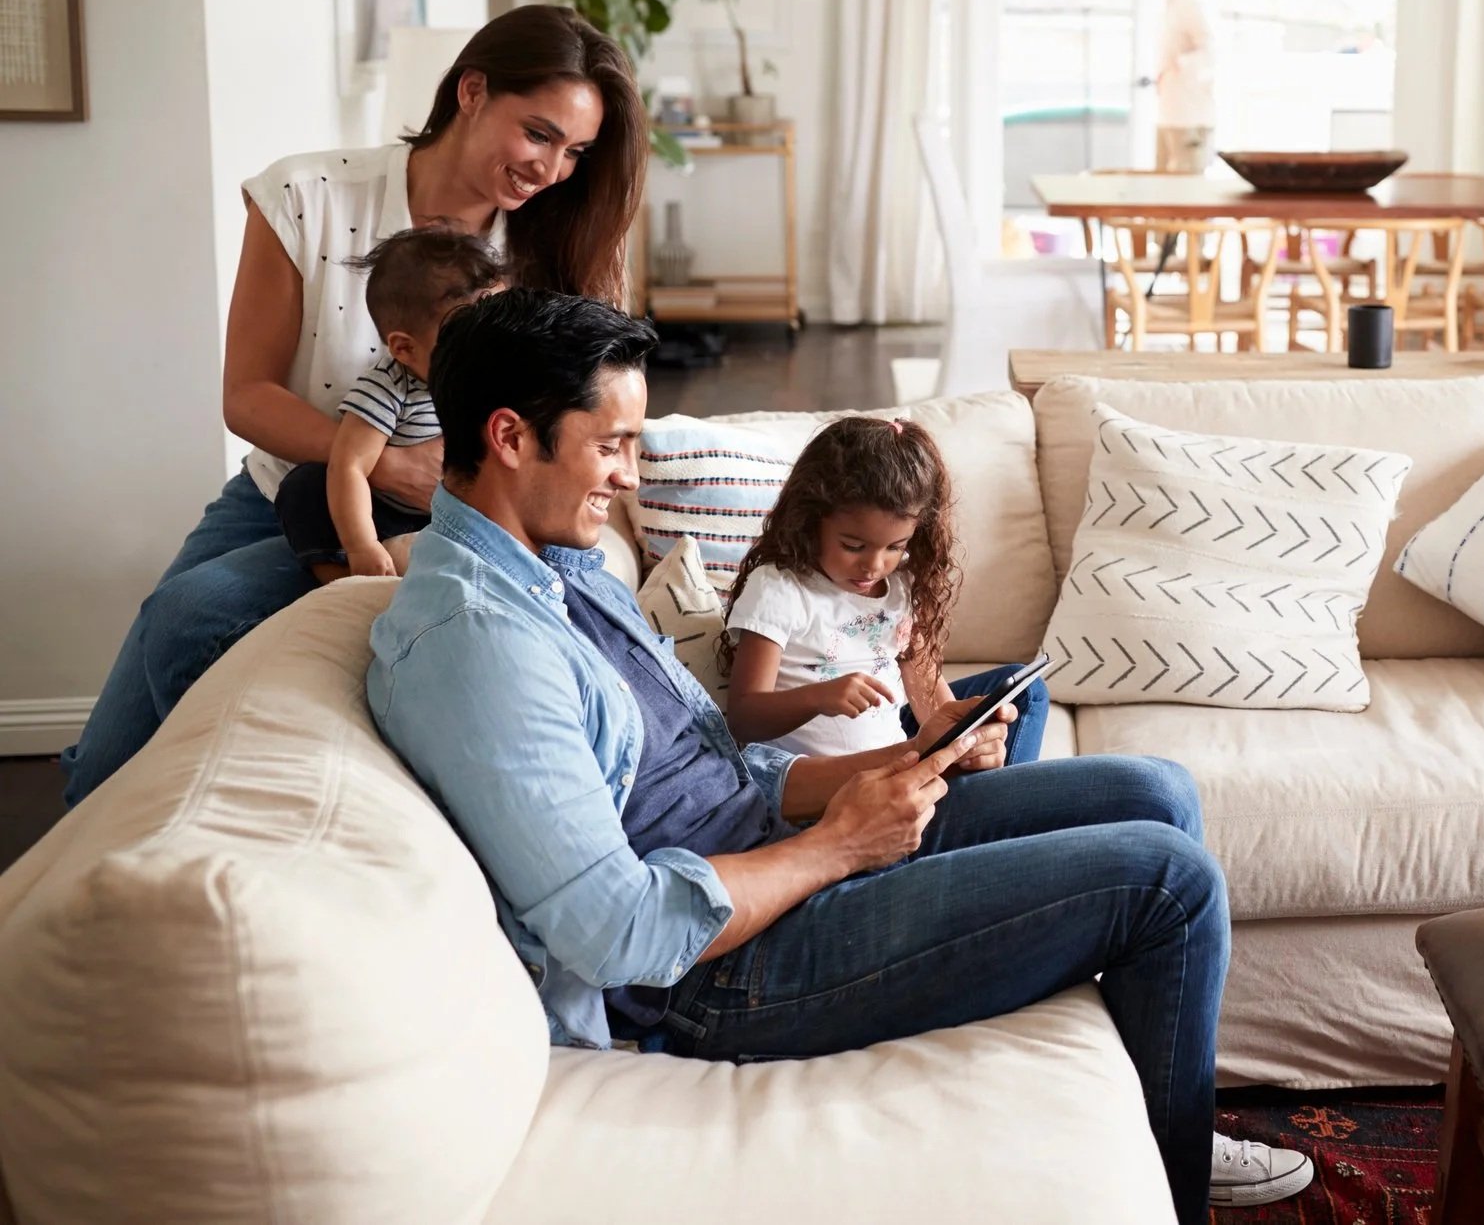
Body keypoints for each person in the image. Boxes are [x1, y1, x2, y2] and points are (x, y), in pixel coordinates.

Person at [367, 290, 1315, 1221]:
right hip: (715, 969)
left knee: (1154, 789)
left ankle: (1158, 1106)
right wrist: (840, 845)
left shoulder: (559, 571)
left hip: (776, 853)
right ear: (509, 436)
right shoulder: (479, 643)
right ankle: (1181, 1169)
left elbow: (720, 766)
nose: (626, 475)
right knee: (1166, 881)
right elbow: (618, 932)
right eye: (609, 444)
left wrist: (894, 763)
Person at [61, 5, 648, 807]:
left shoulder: (548, 246)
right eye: (538, 133)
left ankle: (213, 815)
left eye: (575, 151)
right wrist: (382, 462)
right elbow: (248, 395)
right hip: (285, 487)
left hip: (444, 517)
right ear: (472, 91)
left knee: (192, 614)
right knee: (102, 766)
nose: (550, 169)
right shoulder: (308, 195)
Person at [721, 415, 1049, 766]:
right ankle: (999, 793)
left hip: (901, 763)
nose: (874, 566)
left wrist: (963, 745)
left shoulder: (900, 585)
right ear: (810, 520)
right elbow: (743, 717)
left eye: (895, 547)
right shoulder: (780, 589)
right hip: (836, 780)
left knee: (1026, 693)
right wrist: (818, 697)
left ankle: (992, 787)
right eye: (853, 546)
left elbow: (929, 698)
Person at [273, 226, 505, 583]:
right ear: (405, 348)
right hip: (387, 516)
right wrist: (361, 544)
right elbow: (350, 466)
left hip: (459, 515)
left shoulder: (497, 377)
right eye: (467, 338)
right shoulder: (389, 388)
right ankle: (341, 577)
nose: (490, 350)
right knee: (306, 486)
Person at [1155, 0, 1217, 174]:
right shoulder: (1171, 2)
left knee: (1185, 186)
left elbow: (1210, 52)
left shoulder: (1193, 2)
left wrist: (1177, 67)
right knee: (1162, 186)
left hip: (1190, 117)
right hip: (1169, 114)